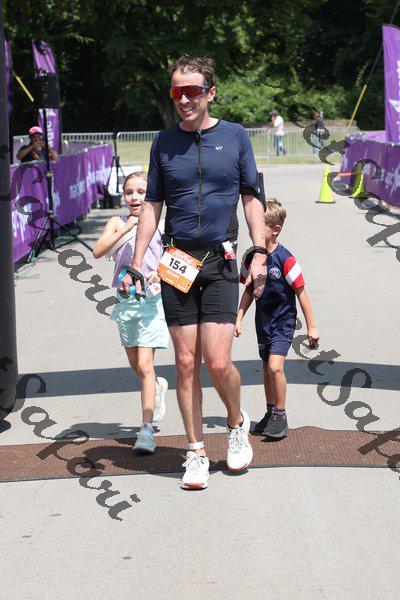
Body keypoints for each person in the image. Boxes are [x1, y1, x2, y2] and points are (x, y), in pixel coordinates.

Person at [122, 54, 267, 490]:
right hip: (177, 262)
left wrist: (260, 252)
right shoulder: (163, 142)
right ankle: (196, 451)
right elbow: (152, 204)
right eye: (176, 92)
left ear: (210, 92)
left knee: (218, 362)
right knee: (186, 363)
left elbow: (251, 198)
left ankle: (236, 423)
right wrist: (136, 262)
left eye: (192, 91)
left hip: (221, 260)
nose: (183, 99)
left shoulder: (235, 136)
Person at [93, 172, 169, 454]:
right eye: (129, 192)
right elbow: (98, 251)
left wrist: (160, 273)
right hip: (125, 301)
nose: (135, 197)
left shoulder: (162, 223)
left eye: (141, 192)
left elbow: (173, 255)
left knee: (146, 365)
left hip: (153, 301)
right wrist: (126, 228)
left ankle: (146, 430)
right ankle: (157, 386)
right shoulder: (117, 222)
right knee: (136, 365)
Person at [236, 199, 319, 439]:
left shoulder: (286, 259)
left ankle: (281, 415)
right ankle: (270, 411)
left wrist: (312, 326)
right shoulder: (252, 258)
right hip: (262, 322)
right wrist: (239, 318)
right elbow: (249, 290)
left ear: (275, 229)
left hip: (283, 322)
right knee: (265, 367)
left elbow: (301, 292)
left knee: (275, 367)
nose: (254, 230)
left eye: (259, 225)